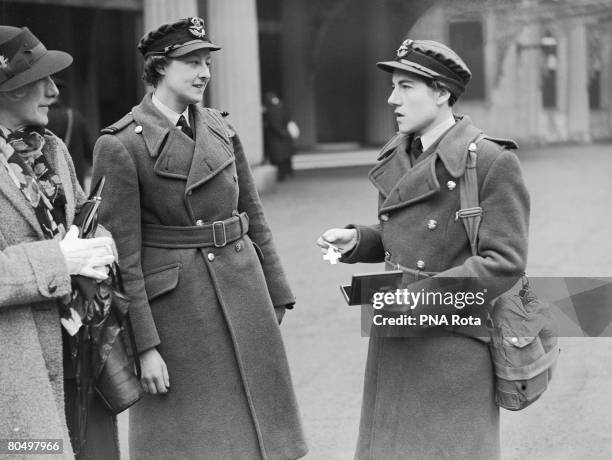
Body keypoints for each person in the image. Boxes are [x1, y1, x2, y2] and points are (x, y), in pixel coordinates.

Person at [91, 17, 307, 460]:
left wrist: (277, 293)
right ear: (158, 67)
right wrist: (144, 347)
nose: (204, 72)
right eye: (191, 61)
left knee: (257, 435)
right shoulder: (121, 144)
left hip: (244, 290)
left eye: (206, 61)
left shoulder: (219, 127)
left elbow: (253, 213)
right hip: (178, 313)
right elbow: (121, 259)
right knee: (193, 440)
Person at [317, 39, 530, 459]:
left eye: (406, 86)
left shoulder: (489, 161)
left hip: (453, 344)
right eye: (393, 86)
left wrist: (415, 298)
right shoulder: (398, 151)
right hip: (396, 336)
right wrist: (359, 240)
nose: (392, 98)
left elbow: (504, 264)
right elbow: (405, 237)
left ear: (441, 93)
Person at [0, 26, 117, 459]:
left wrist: (99, 247)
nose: (53, 91)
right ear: (9, 90)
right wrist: (58, 259)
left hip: (77, 354)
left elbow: (85, 216)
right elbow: (57, 254)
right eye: (41, 81)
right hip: (17, 372)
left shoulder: (51, 148)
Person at [47, 78, 94, 188]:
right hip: (74, 177)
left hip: (48, 178)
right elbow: (89, 148)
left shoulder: (39, 118)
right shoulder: (74, 116)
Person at [263, 91, 296, 181]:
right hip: (285, 136)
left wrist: (280, 132)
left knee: (278, 158)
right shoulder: (282, 107)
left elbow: (272, 123)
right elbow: (288, 118)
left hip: (276, 137)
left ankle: (280, 176)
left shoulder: (270, 110)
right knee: (285, 156)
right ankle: (288, 172)